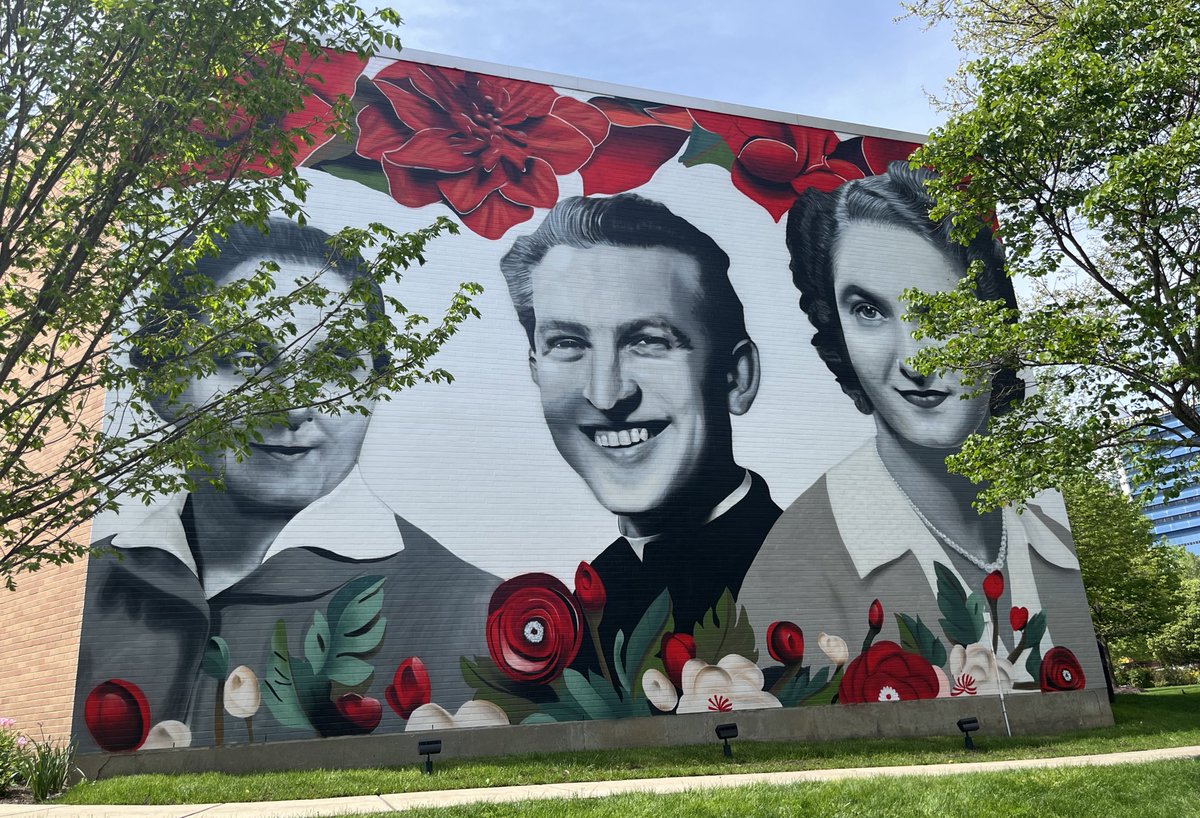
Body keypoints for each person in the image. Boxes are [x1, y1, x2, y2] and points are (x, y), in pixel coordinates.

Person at [73, 219, 499, 751]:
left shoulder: (477, 614)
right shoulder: (86, 593)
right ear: (161, 384)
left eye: (336, 364)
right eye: (247, 360)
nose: (296, 404)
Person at [740, 163, 1102, 696]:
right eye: (869, 311)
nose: (914, 358)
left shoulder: (1048, 525)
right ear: (834, 329)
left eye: (941, 310)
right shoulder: (795, 565)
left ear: (995, 317)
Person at [499, 194, 781, 666]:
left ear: (736, 377)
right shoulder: (583, 608)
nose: (606, 395)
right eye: (568, 344)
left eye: (648, 341)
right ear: (535, 369)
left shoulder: (813, 571)